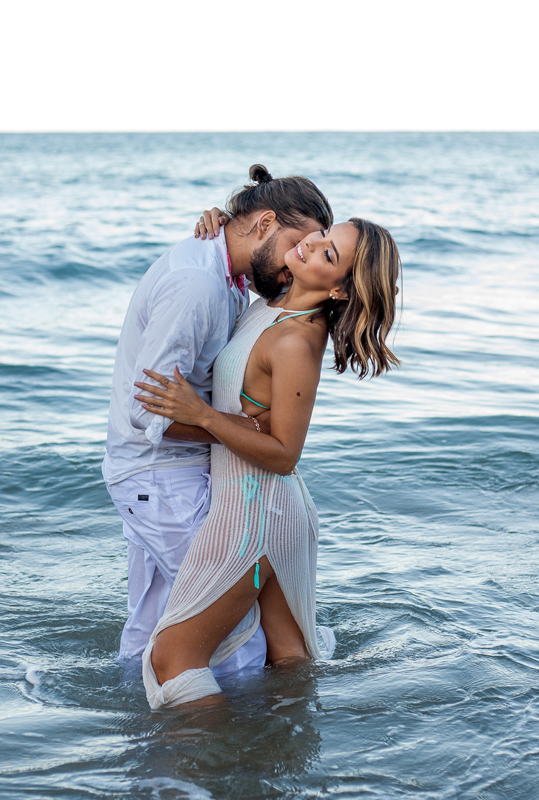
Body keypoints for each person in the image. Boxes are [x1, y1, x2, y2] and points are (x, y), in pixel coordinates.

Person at [134, 214, 402, 709]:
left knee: (172, 660)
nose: (311, 246)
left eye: (328, 255)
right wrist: (224, 217)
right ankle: (286, 760)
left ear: (341, 291)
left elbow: (284, 454)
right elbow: (255, 242)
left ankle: (212, 773)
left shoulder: (297, 339)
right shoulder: (274, 303)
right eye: (323, 236)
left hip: (255, 517)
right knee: (290, 659)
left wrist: (202, 415)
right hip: (270, 513)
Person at [102, 165, 334, 679]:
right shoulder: (198, 284)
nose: (297, 261)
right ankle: (240, 752)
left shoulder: (228, 277)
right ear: (266, 222)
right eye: (298, 243)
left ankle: (139, 747)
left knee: (152, 625)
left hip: (161, 475)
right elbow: (150, 411)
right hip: (161, 477)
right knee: (232, 632)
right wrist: (231, 428)